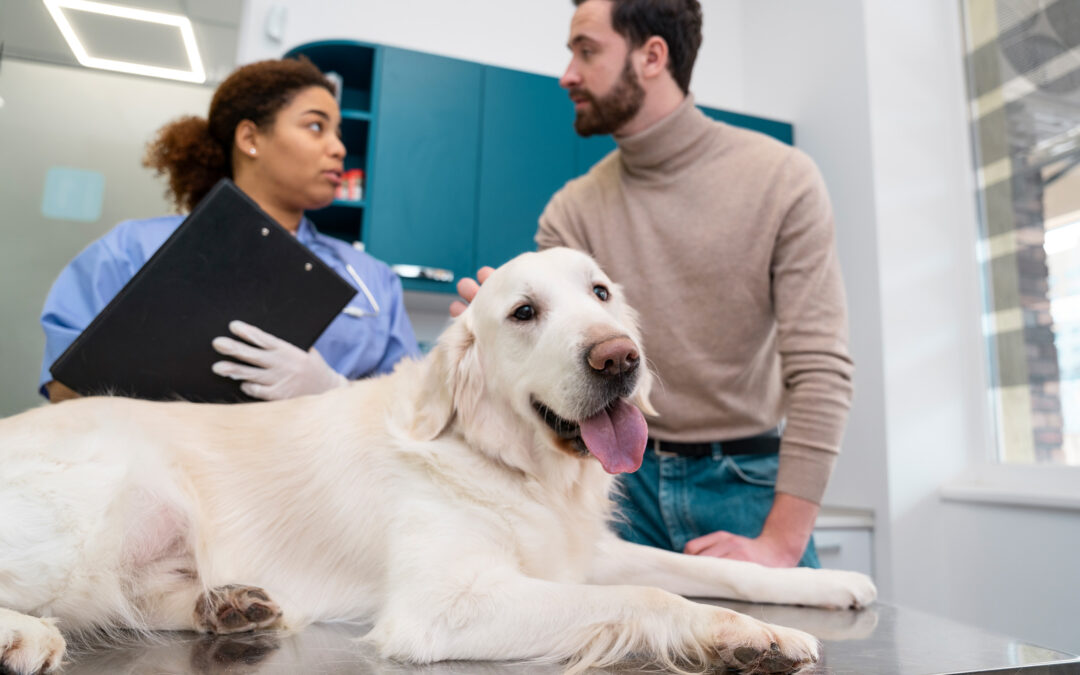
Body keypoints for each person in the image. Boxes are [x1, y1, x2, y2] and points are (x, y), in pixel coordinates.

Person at [454, 0, 853, 568]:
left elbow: (821, 368)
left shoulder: (783, 179)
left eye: (585, 50)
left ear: (652, 56)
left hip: (748, 483)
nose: (567, 73)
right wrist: (505, 319)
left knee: (792, 648)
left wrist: (782, 542)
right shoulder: (571, 210)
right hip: (613, 481)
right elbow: (556, 362)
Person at [39, 58, 419, 403]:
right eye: (316, 126)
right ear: (251, 139)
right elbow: (65, 393)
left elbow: (411, 413)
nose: (338, 148)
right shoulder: (132, 249)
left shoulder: (374, 279)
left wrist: (336, 391)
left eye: (338, 133)